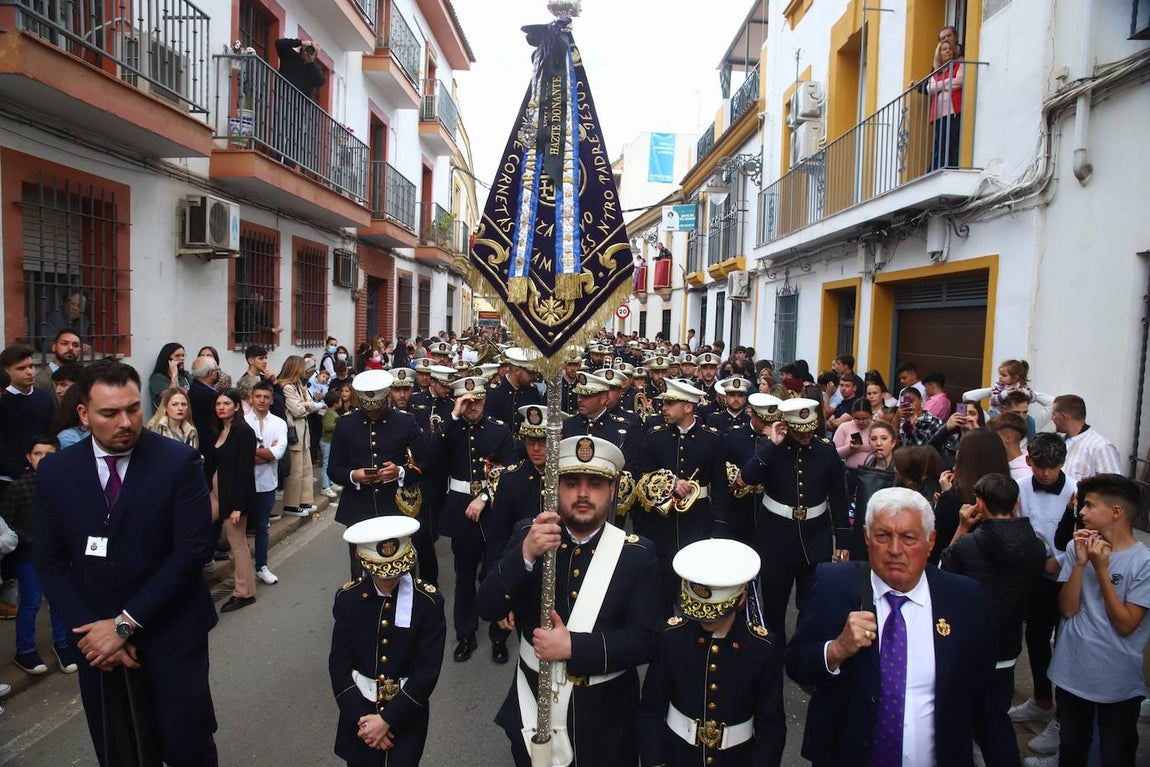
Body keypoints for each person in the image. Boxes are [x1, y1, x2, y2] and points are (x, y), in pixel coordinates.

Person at [34, 360, 218, 766]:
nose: (126, 422)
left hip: (171, 637)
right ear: (83, 414)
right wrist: (93, 635)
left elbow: (191, 552)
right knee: (121, 750)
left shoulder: (178, 463)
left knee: (187, 747)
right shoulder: (56, 473)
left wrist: (123, 625)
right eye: (110, 413)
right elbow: (49, 561)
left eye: (133, 409)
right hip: (96, 645)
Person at [785, 487, 1021, 767]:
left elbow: (987, 704)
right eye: (883, 536)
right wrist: (835, 650)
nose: (895, 550)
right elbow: (797, 663)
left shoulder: (962, 599)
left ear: (930, 541)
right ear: (866, 537)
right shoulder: (832, 586)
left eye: (909, 538)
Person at [477, 435, 662, 767]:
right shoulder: (528, 535)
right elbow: (487, 607)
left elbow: (646, 642)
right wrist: (525, 555)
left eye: (595, 483)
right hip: (534, 702)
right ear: (554, 488)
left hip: (607, 718)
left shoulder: (638, 554)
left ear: (613, 491)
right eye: (571, 482)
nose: (582, 493)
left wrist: (575, 647)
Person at [638, 538, 785, 767]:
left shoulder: (760, 647)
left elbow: (771, 728)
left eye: (714, 613)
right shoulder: (672, 637)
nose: (705, 622)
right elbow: (651, 709)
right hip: (679, 757)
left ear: (741, 598)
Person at [1044, 474, 1150, 767]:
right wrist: (1079, 564)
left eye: (1090, 505)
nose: (1082, 513)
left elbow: (1127, 624)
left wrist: (1102, 571)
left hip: (1116, 680)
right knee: (1072, 748)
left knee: (1115, 752)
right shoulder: (1076, 548)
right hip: (1072, 672)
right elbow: (1067, 608)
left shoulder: (1143, 562)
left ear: (1116, 512)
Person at [329, 516, 445, 767]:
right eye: (381, 573)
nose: (389, 580)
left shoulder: (428, 602)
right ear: (363, 562)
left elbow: (426, 672)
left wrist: (387, 720)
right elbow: (339, 667)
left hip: (406, 713)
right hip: (360, 714)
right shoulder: (348, 600)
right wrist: (364, 720)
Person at [737, 397, 849, 641]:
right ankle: (774, 654)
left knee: (810, 604)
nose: (805, 436)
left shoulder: (826, 450)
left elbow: (839, 497)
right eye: (799, 432)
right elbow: (747, 477)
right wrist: (771, 445)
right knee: (775, 605)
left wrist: (842, 541)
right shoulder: (771, 448)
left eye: (809, 430)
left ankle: (802, 651)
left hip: (815, 538)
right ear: (787, 426)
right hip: (776, 538)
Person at [430, 376, 517, 663]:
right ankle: (465, 634)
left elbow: (508, 469)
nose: (473, 406)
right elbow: (427, 454)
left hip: (493, 513)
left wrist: (484, 498)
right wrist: (452, 415)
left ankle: (498, 636)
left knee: (494, 575)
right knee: (464, 577)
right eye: (467, 402)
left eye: (478, 400)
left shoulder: (499, 431)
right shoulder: (449, 429)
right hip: (460, 513)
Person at [940, 473, 1048, 707]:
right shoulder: (1036, 547)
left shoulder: (966, 545)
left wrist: (962, 527)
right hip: (1008, 642)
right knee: (998, 713)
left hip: (969, 641)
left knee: (964, 711)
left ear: (980, 503)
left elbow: (942, 577)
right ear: (1016, 503)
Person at [635, 378, 730, 612]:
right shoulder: (654, 436)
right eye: (663, 403)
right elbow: (641, 475)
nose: (663, 408)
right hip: (661, 524)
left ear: (688, 407)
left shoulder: (713, 438)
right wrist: (669, 483)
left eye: (670, 403)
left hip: (698, 522)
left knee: (697, 588)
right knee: (662, 591)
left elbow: (720, 487)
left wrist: (717, 531)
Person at [327, 370, 425, 575]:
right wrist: (354, 476)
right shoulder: (345, 424)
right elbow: (334, 468)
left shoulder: (405, 422)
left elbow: (424, 463)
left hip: (396, 507)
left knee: (400, 566)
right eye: (368, 410)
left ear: (387, 397)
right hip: (359, 507)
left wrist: (399, 472)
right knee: (361, 568)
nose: (372, 414)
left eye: (377, 409)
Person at [1009, 433, 1076, 733]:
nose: (1046, 473)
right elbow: (1019, 529)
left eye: (1053, 466)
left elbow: (1081, 535)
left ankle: (1065, 716)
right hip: (1035, 576)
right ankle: (1041, 699)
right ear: (1029, 461)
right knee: (1036, 639)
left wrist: (1060, 560)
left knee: (1067, 642)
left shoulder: (1076, 491)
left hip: (1067, 577)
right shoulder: (1021, 488)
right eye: (1040, 466)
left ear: (1063, 463)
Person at [2, 435, 79, 675]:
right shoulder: (19, 486)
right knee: (31, 602)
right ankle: (24, 650)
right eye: (38, 454)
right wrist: (30, 540)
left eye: (50, 454)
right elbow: (8, 523)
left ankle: (63, 644)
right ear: (28, 457)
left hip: (59, 555)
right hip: (30, 556)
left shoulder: (67, 485)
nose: (44, 459)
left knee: (58, 601)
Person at [203, 388, 258, 613]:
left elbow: (245, 471)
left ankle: (244, 592)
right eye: (218, 404)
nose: (221, 407)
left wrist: (238, 507)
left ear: (236, 406)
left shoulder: (244, 432)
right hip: (216, 491)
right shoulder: (219, 430)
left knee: (238, 545)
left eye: (226, 403)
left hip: (234, 495)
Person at [245, 380, 287, 586]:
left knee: (262, 526)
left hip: (267, 483)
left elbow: (277, 453)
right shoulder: (242, 422)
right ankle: (242, 570)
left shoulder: (279, 423)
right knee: (240, 528)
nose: (261, 401)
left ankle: (261, 565)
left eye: (266, 397)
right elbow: (238, 455)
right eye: (258, 396)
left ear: (271, 400)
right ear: (251, 398)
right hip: (243, 483)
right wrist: (266, 454)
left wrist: (259, 454)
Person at [0, 345, 56, 489]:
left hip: (41, 475)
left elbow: (50, 434)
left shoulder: (44, 398)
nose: (30, 372)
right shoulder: (2, 400)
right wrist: (19, 472)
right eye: (21, 368)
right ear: (6, 371)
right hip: (6, 479)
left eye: (31, 366)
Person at [279, 355, 323, 518]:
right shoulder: (287, 387)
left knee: (306, 467)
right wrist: (307, 406)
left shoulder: (298, 384)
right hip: (295, 431)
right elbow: (298, 410)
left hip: (303, 430)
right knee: (295, 470)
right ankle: (291, 504)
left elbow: (309, 404)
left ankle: (304, 500)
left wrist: (306, 406)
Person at [1050, 394, 1122, 482]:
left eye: (1053, 414)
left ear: (1063, 416)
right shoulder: (1060, 443)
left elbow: (1113, 488)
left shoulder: (1101, 447)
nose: (1051, 418)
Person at [920, 39, 964, 171]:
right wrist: (947, 81)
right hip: (940, 113)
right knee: (940, 142)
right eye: (944, 49)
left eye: (949, 48)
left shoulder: (959, 66)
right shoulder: (936, 71)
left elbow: (959, 82)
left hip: (954, 111)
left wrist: (940, 85)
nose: (947, 51)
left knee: (952, 140)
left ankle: (949, 167)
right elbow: (929, 89)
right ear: (939, 53)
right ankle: (936, 168)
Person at [34, 330, 82, 398]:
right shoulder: (40, 381)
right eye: (64, 343)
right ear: (54, 347)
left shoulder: (83, 376)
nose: (70, 348)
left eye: (75, 345)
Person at [987, 412, 1031, 481]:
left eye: (993, 436)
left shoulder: (1024, 474)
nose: (990, 441)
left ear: (1008, 438)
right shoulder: (1001, 464)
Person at [148, 343, 192, 409]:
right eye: (177, 356)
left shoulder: (185, 376)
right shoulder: (157, 379)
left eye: (183, 355)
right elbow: (171, 397)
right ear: (167, 359)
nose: (182, 358)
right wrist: (174, 375)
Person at [833, 399, 874, 469]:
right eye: (857, 419)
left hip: (873, 472)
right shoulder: (844, 427)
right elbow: (833, 453)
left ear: (871, 415)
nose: (861, 422)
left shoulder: (876, 427)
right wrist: (849, 447)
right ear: (852, 415)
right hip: (850, 472)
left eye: (865, 419)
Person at [188, 355, 221, 439]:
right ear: (211, 374)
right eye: (217, 370)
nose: (219, 372)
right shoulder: (211, 396)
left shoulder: (192, 388)